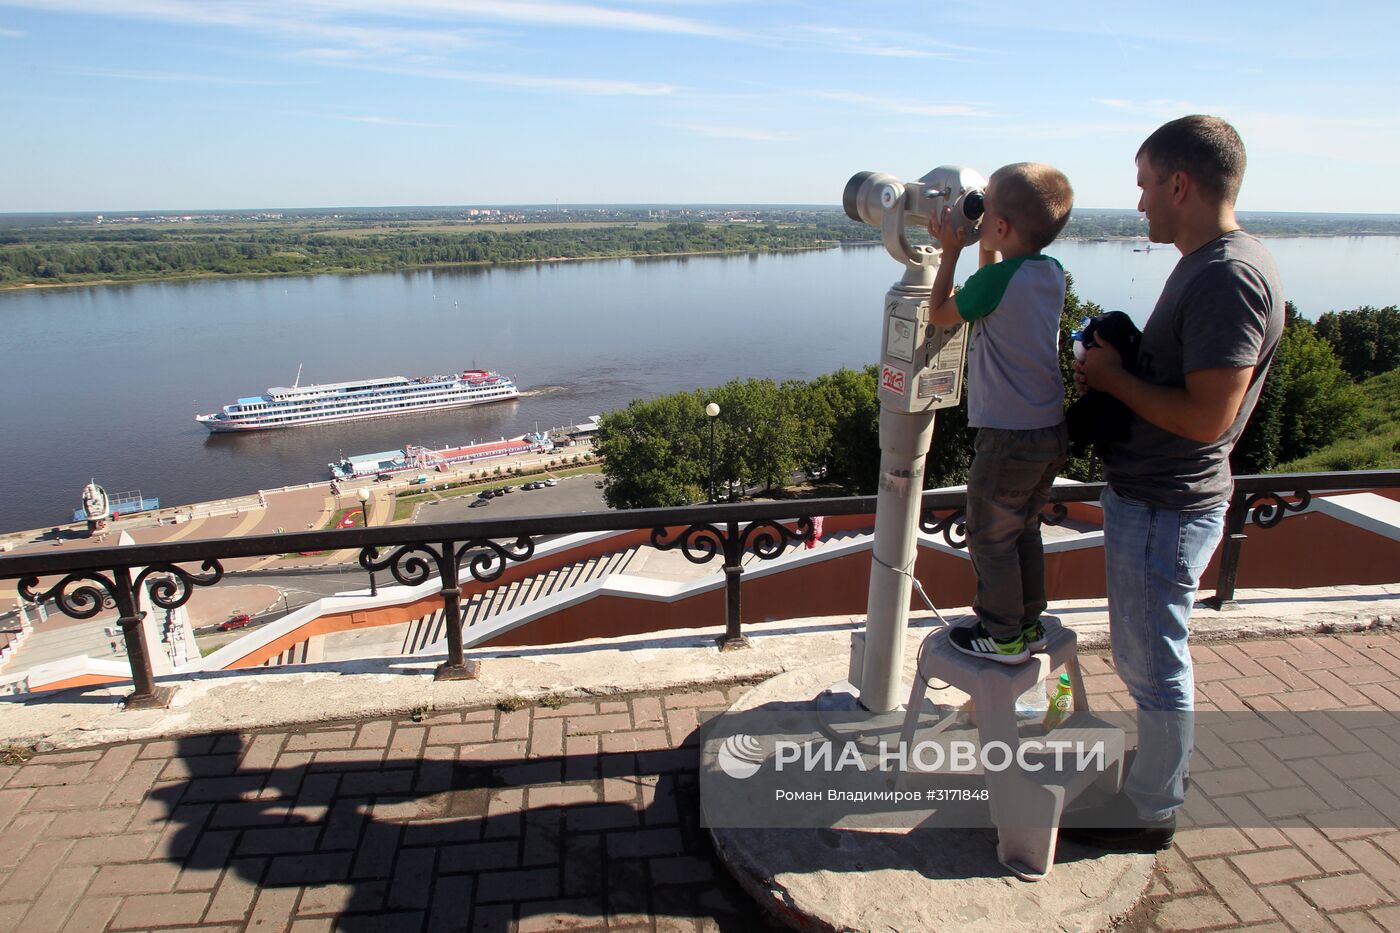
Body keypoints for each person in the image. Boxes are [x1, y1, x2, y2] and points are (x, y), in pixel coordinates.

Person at [1065, 115, 1284, 852]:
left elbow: (1205, 417)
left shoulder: (1228, 276)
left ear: (1180, 184)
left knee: (1155, 665)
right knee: (1143, 656)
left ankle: (1151, 810)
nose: (1140, 204)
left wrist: (1112, 376)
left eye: (1145, 185)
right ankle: (1156, 777)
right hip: (1158, 500)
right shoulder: (1213, 262)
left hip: (1168, 505)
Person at [926, 162, 1074, 665]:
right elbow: (995, 280)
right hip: (1048, 432)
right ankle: (1028, 622)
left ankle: (1002, 634)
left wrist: (950, 251)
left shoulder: (997, 281)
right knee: (1023, 530)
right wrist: (982, 241)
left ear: (1003, 226)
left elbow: (941, 311)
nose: (978, 212)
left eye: (984, 206)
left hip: (1007, 438)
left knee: (989, 539)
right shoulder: (1050, 273)